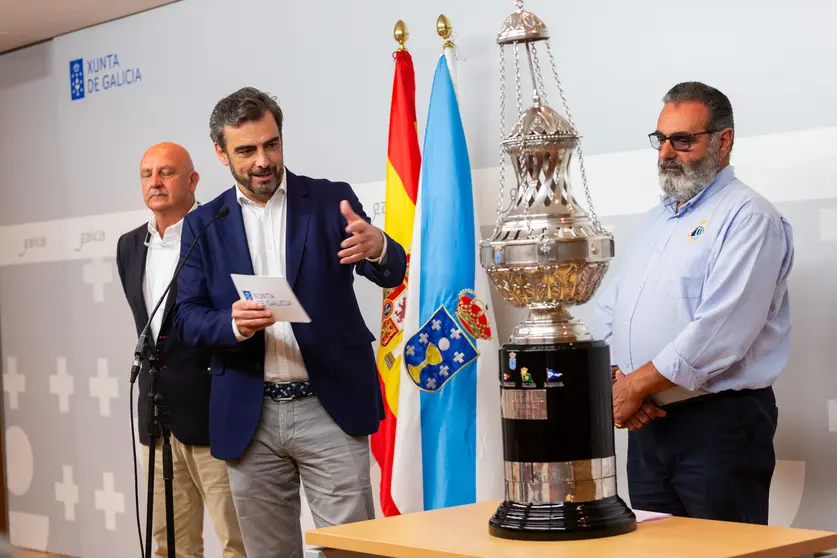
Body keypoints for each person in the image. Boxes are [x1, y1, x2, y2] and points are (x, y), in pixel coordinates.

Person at [172, 87, 408, 558]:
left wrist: (379, 245)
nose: (263, 160)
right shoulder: (204, 223)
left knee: (352, 550)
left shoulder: (329, 200)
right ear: (220, 153)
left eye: (271, 144)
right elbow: (186, 317)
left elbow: (392, 271)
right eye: (246, 150)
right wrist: (232, 324)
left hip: (330, 405)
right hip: (248, 411)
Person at [594, 82, 794, 524]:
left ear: (723, 141)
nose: (667, 152)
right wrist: (616, 380)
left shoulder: (748, 216)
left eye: (683, 140)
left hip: (718, 426)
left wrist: (632, 388)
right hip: (648, 424)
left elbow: (721, 331)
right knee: (655, 552)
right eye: (661, 139)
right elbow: (611, 311)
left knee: (724, 555)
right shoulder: (655, 220)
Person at [116, 142, 245, 558]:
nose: (155, 182)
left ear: (192, 180)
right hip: (156, 418)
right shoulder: (129, 245)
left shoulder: (221, 233)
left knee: (236, 542)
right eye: (147, 174)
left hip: (213, 413)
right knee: (169, 544)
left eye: (167, 172)